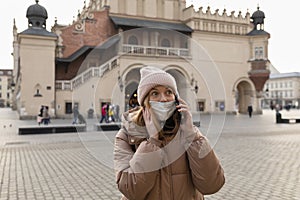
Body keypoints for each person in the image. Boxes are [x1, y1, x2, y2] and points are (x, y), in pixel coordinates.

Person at [114, 66, 225, 200]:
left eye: (168, 92)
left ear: (176, 98)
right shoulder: (127, 136)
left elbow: (212, 185)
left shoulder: (187, 132)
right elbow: (131, 190)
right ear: (144, 101)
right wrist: (152, 142)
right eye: (155, 93)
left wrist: (192, 136)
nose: (164, 99)